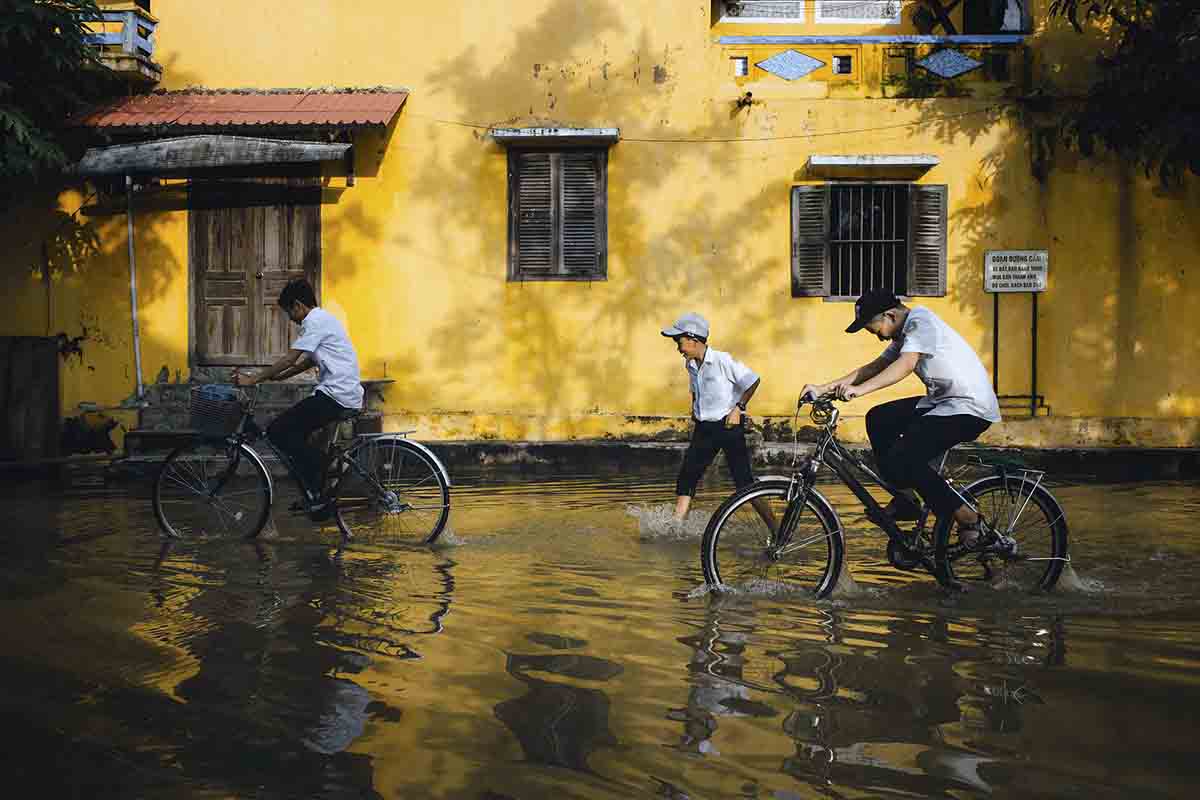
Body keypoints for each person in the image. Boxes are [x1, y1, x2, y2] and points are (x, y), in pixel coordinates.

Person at [800, 289, 1001, 547]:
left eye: (873, 329)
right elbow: (874, 367)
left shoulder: (921, 322)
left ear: (890, 315)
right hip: (943, 402)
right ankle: (907, 500)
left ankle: (969, 519)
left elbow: (905, 365)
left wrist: (859, 391)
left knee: (905, 457)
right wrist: (823, 388)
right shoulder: (905, 332)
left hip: (969, 407)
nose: (876, 336)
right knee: (879, 418)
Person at [234, 278, 363, 518]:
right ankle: (316, 494)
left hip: (336, 394)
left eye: (289, 312)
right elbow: (308, 361)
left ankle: (318, 468)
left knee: (278, 431)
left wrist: (256, 379)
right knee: (297, 433)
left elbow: (291, 358)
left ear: (298, 306)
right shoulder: (324, 319)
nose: (291, 319)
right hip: (340, 392)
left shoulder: (314, 322)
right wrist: (279, 377)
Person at [661, 313, 762, 523]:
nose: (678, 348)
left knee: (745, 484)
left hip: (727, 427)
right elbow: (697, 390)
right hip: (703, 429)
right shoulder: (690, 364)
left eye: (679, 342)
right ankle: (676, 526)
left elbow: (752, 380)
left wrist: (738, 408)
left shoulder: (722, 360)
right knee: (687, 477)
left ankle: (776, 529)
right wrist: (695, 410)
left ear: (693, 339)